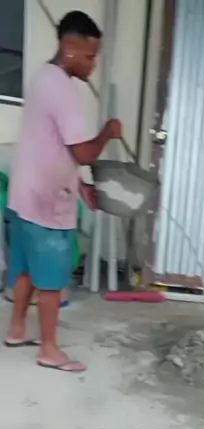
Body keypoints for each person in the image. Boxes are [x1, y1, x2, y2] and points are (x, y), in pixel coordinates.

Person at [4, 10, 122, 372]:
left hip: (24, 195)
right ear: (70, 48)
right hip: (47, 204)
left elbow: (52, 145)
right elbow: (83, 152)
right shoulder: (63, 90)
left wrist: (80, 183)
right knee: (52, 282)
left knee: (25, 268)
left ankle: (17, 329)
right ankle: (49, 349)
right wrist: (108, 132)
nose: (93, 64)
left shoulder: (43, 77)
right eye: (90, 56)